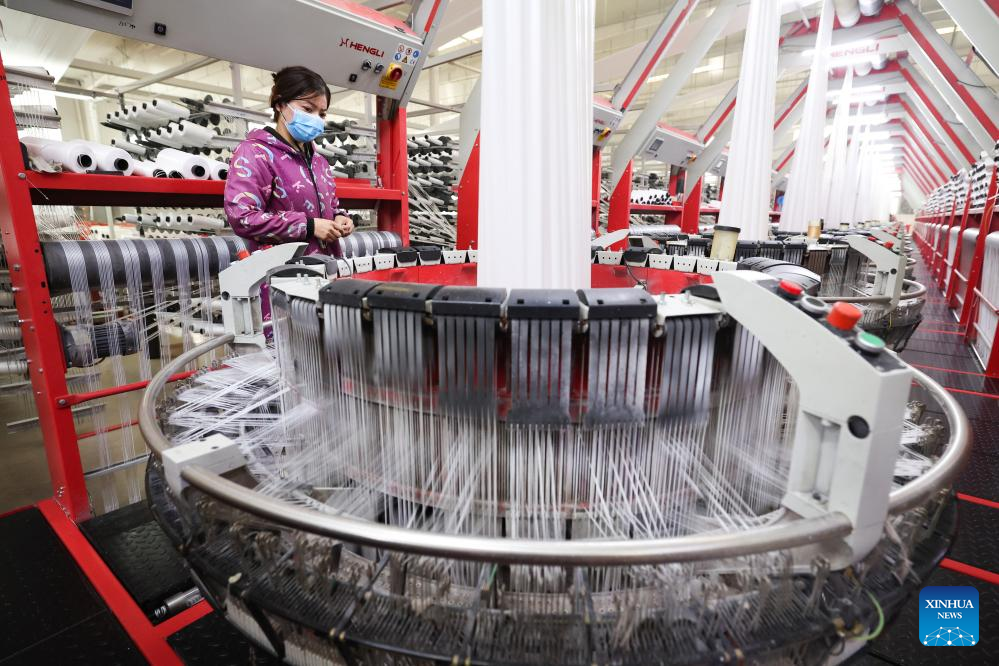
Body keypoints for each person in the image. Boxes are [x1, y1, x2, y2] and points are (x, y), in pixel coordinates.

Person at [224, 65, 354, 255]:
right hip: (283, 269)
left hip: (326, 266)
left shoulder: (319, 162)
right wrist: (308, 226)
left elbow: (331, 206)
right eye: (308, 109)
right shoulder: (255, 153)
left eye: (322, 114)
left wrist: (339, 217)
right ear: (280, 104)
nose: (316, 119)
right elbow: (242, 217)